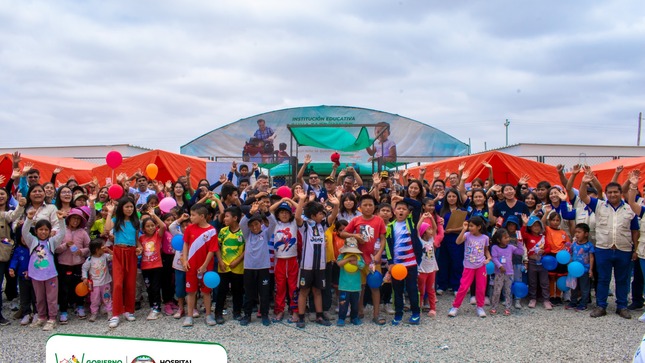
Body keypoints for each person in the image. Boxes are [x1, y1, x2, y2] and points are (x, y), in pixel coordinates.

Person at [579, 173, 637, 319]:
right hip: (603, 249)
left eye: (615, 192)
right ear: (606, 193)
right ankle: (601, 306)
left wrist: (635, 249)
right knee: (603, 279)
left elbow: (634, 230)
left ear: (621, 193)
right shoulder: (599, 205)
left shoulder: (630, 209)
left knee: (622, 279)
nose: (612, 194)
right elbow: (583, 196)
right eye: (610, 192)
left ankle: (622, 306)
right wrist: (584, 183)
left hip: (623, 249)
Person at [294, 190, 339, 329]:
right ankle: (301, 317)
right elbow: (297, 217)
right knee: (303, 291)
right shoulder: (305, 226)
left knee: (318, 291)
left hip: (320, 266)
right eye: (320, 213)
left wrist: (336, 205)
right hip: (306, 266)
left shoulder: (322, 225)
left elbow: (333, 216)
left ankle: (319, 315)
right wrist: (302, 200)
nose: (323, 215)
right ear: (313, 215)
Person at [339, 194, 387, 325]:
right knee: (360, 287)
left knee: (375, 286)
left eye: (370, 205)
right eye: (365, 205)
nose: (367, 207)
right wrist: (354, 235)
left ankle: (376, 315)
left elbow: (383, 239)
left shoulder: (379, 220)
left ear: (374, 207)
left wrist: (378, 255)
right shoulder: (356, 220)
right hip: (358, 259)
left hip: (373, 260)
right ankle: (358, 312)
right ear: (360, 207)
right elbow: (342, 234)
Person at [22, 209, 66, 331]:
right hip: (36, 275)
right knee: (39, 297)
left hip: (50, 274)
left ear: (49, 231)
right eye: (40, 229)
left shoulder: (52, 242)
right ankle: (41, 317)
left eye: (46, 229)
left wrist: (61, 220)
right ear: (36, 231)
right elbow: (25, 232)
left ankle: (52, 318)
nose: (43, 232)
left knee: (51, 298)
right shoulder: (32, 241)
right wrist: (29, 219)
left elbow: (62, 233)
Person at [181, 203, 222, 327]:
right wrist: (185, 259)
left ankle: (208, 315)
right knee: (191, 291)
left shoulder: (211, 230)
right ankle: (189, 316)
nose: (191, 218)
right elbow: (185, 244)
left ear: (202, 216)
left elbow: (212, 249)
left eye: (193, 215)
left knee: (206, 291)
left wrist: (204, 265)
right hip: (191, 265)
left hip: (206, 266)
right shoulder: (189, 228)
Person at [104, 198, 142, 328]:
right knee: (118, 284)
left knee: (130, 283)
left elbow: (137, 240)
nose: (129, 209)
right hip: (119, 252)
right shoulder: (116, 220)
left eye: (131, 206)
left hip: (131, 253)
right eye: (127, 207)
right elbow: (107, 228)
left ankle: (128, 310)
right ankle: (115, 314)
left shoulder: (135, 222)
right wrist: (109, 213)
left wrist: (140, 247)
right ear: (121, 208)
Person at [239, 201, 277, 326]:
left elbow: (273, 223)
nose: (254, 227)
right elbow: (242, 223)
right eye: (252, 225)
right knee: (249, 293)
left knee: (264, 293)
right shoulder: (247, 235)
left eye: (256, 224)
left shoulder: (266, 234)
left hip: (263, 268)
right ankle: (247, 315)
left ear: (261, 224)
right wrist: (250, 213)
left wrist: (266, 211)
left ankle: (265, 315)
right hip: (249, 268)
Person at [385, 199, 423, 325]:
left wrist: (402, 198)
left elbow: (418, 205)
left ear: (408, 212)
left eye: (404, 209)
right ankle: (398, 314)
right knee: (397, 290)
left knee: (412, 289)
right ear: (394, 211)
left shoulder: (411, 222)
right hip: (397, 265)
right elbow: (388, 245)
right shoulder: (390, 226)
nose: (401, 210)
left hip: (411, 263)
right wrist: (390, 262)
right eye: (398, 208)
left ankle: (415, 313)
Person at [448, 217, 490, 318]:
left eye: (472, 226)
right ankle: (455, 307)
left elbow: (486, 250)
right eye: (469, 226)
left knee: (481, 287)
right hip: (468, 266)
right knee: (463, 287)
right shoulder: (467, 235)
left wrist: (489, 258)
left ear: (479, 227)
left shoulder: (485, 238)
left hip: (481, 266)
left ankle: (480, 306)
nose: (470, 228)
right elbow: (458, 242)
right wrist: (463, 229)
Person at [55, 208, 90, 324]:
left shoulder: (83, 232)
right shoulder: (61, 231)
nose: (75, 221)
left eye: (78, 219)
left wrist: (81, 252)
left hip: (78, 264)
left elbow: (89, 247)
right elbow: (55, 249)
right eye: (73, 218)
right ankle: (63, 312)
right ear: (69, 219)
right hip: (63, 264)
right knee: (64, 289)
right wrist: (65, 245)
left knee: (79, 287)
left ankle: (80, 306)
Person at [269, 200, 299, 322]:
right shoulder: (275, 224)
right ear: (278, 214)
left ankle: (295, 311)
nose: (284, 215)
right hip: (279, 261)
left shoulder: (294, 224)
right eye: (281, 212)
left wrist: (291, 201)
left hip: (292, 260)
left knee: (293, 287)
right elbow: (270, 210)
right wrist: (282, 200)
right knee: (280, 287)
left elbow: (300, 210)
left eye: (286, 212)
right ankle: (279, 310)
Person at [215, 206, 245, 324]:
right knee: (221, 291)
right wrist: (220, 261)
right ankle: (218, 313)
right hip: (223, 267)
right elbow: (217, 247)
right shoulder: (223, 231)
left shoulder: (243, 231)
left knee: (237, 291)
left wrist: (237, 261)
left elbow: (246, 249)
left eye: (227, 216)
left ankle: (237, 312)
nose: (225, 218)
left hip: (238, 267)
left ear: (235, 218)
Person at [138, 207, 167, 320]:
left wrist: (154, 215)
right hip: (145, 267)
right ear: (143, 229)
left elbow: (163, 226)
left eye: (152, 225)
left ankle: (157, 309)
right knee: (149, 288)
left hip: (157, 266)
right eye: (147, 226)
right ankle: (153, 307)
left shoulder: (157, 236)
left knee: (155, 288)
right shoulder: (141, 238)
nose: (150, 228)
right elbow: (138, 243)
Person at [489, 228, 525, 315]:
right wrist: (500, 266)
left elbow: (520, 252)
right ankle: (494, 307)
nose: (508, 239)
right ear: (498, 239)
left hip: (509, 273)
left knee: (508, 291)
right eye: (505, 238)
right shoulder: (495, 247)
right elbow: (494, 258)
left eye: (508, 237)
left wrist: (519, 242)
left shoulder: (511, 247)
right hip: (499, 273)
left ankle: (508, 308)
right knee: (497, 290)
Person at [520, 215, 552, 310]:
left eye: (538, 225)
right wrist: (524, 224)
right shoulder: (528, 236)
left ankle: (546, 300)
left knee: (544, 282)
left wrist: (544, 251)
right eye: (534, 226)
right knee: (532, 282)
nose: (536, 228)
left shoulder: (543, 237)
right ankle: (532, 298)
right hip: (532, 262)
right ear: (530, 227)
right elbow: (521, 235)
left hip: (543, 262)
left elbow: (549, 247)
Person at [81, 238, 113, 323]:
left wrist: (108, 250)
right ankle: (94, 313)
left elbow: (114, 257)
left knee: (107, 297)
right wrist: (84, 277)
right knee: (94, 299)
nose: (104, 247)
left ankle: (110, 311)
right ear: (97, 249)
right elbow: (84, 268)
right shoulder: (90, 259)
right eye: (103, 246)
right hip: (94, 284)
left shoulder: (105, 256)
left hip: (105, 282)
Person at [8, 229, 35, 326]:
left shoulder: (35, 249)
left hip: (34, 278)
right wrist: (12, 268)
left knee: (35, 297)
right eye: (22, 237)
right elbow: (14, 260)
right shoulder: (18, 250)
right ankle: (26, 313)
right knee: (24, 297)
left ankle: (36, 313)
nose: (25, 239)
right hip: (22, 278)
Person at [336, 238, 365, 326]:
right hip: (344, 286)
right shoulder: (342, 255)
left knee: (355, 304)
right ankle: (341, 318)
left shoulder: (359, 257)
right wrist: (348, 259)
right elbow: (339, 263)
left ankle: (354, 318)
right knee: (343, 304)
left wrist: (356, 262)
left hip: (355, 286)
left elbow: (362, 265)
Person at [567, 223, 595, 312]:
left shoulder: (589, 245)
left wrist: (590, 269)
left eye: (579, 232)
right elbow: (570, 254)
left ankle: (583, 304)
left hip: (584, 270)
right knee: (573, 287)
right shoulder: (574, 244)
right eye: (576, 232)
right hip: (574, 270)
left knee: (584, 288)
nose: (577, 234)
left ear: (586, 234)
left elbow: (591, 257)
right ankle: (573, 302)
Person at [417, 218, 439, 318]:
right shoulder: (420, 241)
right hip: (422, 269)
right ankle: (419, 307)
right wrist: (422, 219)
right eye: (428, 229)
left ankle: (433, 308)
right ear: (424, 232)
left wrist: (430, 218)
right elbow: (417, 229)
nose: (431, 231)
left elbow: (435, 228)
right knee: (421, 290)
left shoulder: (431, 240)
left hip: (432, 269)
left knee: (431, 289)